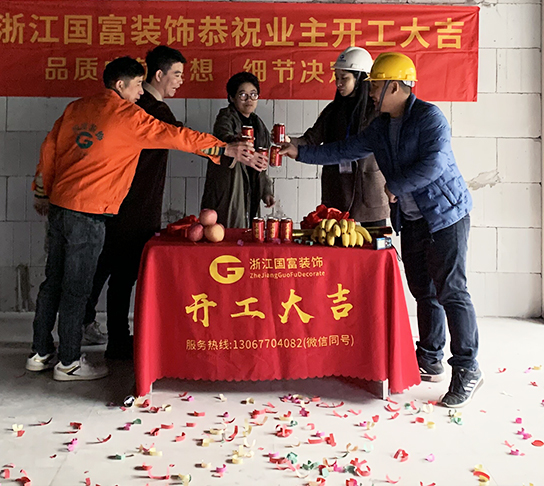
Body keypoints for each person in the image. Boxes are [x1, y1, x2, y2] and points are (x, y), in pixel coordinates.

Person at [27, 56, 255, 381]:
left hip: (60, 206)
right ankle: (69, 362)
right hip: (89, 213)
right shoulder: (129, 116)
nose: (139, 92)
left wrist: (42, 192)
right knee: (77, 288)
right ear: (120, 85)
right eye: (136, 86)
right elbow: (177, 136)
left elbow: (48, 150)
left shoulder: (76, 108)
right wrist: (222, 149)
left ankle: (39, 353)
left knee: (53, 282)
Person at [278, 52, 482, 408]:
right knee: (423, 290)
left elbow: (434, 165)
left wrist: (395, 186)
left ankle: (467, 368)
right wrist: (299, 152)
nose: (370, 93)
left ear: (395, 87)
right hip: (413, 219)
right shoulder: (382, 125)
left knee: (451, 291)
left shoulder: (429, 117)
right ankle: (430, 357)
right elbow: (345, 149)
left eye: (375, 86)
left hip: (445, 216)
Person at [82, 46, 187, 360]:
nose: (180, 81)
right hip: (135, 204)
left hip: (111, 200)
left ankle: (84, 323)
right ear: (159, 74)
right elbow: (185, 138)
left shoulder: (127, 106)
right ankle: (117, 341)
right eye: (177, 74)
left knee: (102, 266)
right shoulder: (153, 110)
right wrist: (226, 150)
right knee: (123, 274)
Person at [295, 46, 389, 227]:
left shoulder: (377, 111)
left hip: (370, 191)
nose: (338, 83)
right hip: (337, 188)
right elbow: (311, 139)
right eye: (336, 78)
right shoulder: (332, 110)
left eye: (344, 78)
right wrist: (289, 142)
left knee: (375, 240)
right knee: (337, 239)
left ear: (361, 78)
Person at [200, 71, 275, 228]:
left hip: (251, 189)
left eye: (253, 94)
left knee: (249, 230)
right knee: (226, 230)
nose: (249, 100)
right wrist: (237, 142)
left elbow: (261, 164)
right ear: (232, 97)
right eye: (242, 95)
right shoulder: (225, 117)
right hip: (230, 186)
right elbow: (224, 137)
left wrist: (266, 191)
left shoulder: (258, 124)